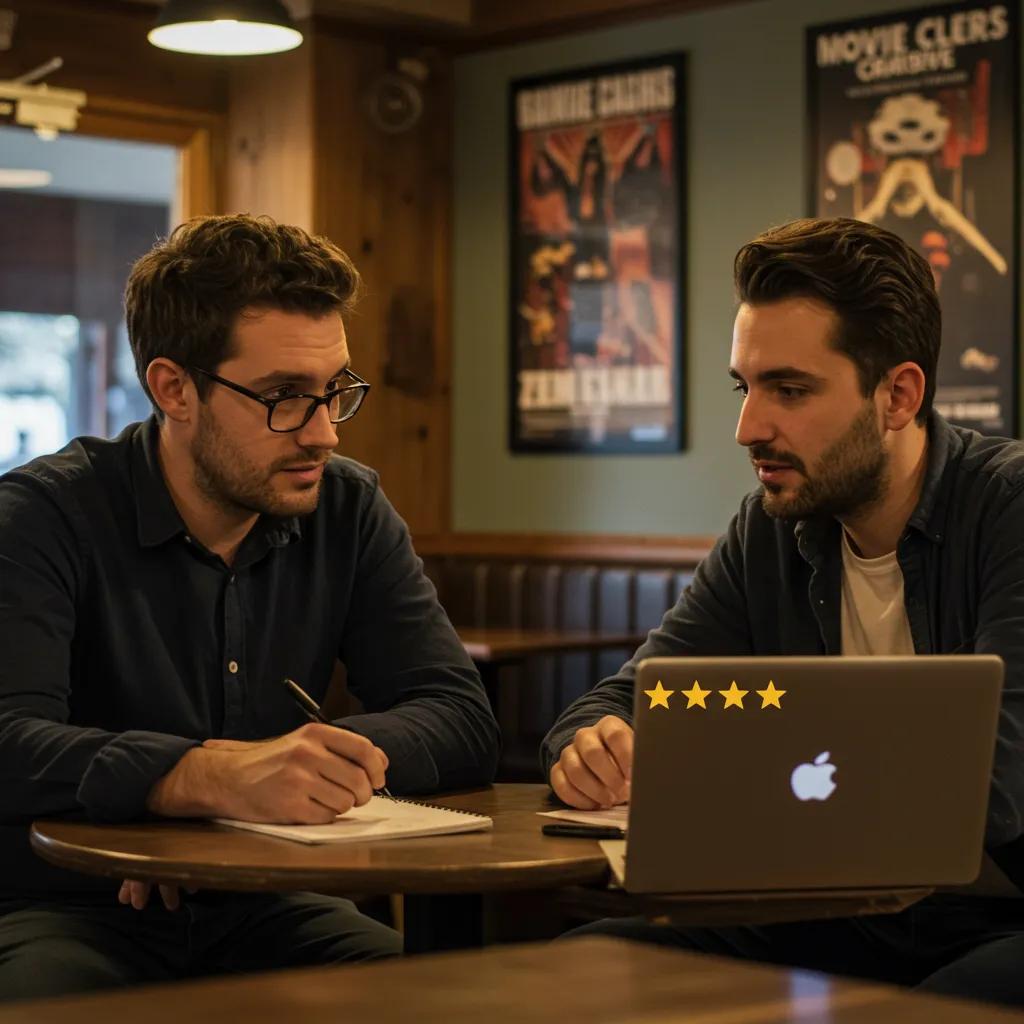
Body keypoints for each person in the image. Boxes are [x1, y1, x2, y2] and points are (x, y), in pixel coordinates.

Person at [0, 214, 500, 1001]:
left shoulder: (348, 509)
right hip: (60, 906)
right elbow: (10, 741)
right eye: (283, 398)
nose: (324, 432)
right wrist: (199, 779)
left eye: (336, 390)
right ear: (174, 388)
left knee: (454, 1003)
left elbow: (458, 715)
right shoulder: (42, 516)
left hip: (262, 903)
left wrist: (292, 771)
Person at [543, 217, 1024, 1007]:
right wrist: (593, 745)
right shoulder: (774, 529)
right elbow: (627, 697)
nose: (748, 428)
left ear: (898, 395)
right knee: (581, 968)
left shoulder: (1007, 510)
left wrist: (731, 772)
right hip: (829, 913)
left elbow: (995, 788)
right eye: (747, 386)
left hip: (1000, 922)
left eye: (789, 390)